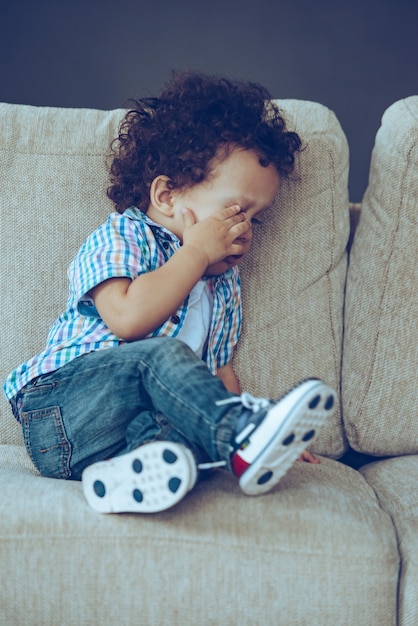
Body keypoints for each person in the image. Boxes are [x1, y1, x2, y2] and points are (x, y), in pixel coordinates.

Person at [3, 71, 337, 514]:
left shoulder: (224, 287)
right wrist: (195, 252)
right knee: (159, 354)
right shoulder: (122, 237)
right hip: (63, 413)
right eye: (236, 211)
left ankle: (128, 476)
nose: (244, 231)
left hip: (112, 442)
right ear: (166, 195)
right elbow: (128, 319)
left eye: (255, 220)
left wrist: (275, 442)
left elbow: (217, 374)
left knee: (179, 438)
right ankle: (240, 436)